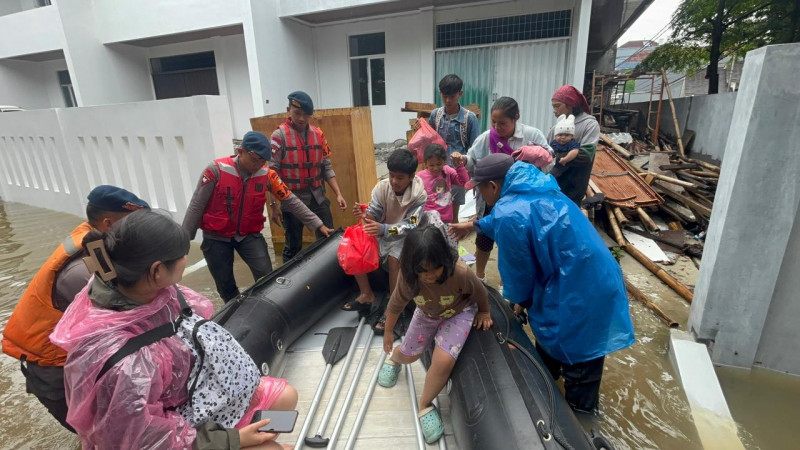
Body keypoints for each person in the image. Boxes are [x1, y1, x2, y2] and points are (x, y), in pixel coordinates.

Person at [50, 209, 298, 449]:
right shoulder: (124, 368)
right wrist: (234, 440)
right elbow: (145, 441)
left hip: (198, 400)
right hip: (178, 435)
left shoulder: (145, 288)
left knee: (286, 397)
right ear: (157, 270)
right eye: (182, 255)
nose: (185, 259)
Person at [449, 154, 635, 413]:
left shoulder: (510, 212)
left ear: (492, 186)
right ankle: (554, 384)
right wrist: (473, 225)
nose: (481, 196)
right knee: (552, 347)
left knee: (579, 365)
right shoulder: (536, 186)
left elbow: (518, 276)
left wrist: (519, 303)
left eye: (479, 190)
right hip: (597, 278)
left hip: (577, 293)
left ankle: (581, 421)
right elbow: (516, 219)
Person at [1, 185, 149, 432]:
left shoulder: (95, 239)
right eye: (133, 223)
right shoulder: (82, 272)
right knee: (100, 434)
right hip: (52, 368)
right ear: (108, 223)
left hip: (69, 358)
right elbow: (121, 316)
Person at [183, 131, 333, 302]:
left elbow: (292, 201)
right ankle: (234, 310)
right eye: (255, 160)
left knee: (266, 276)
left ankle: (266, 305)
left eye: (263, 161)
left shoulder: (267, 175)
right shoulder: (215, 171)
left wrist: (319, 225)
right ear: (241, 152)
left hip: (248, 235)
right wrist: (183, 242)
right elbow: (196, 205)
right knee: (225, 283)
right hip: (216, 236)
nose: (258, 165)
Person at [378, 226, 492, 443]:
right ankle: (395, 359)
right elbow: (394, 306)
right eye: (423, 270)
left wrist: (485, 311)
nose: (430, 275)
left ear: (445, 261)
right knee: (410, 356)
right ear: (413, 267)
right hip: (427, 313)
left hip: (458, 313)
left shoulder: (460, 273)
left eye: (436, 268)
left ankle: (424, 405)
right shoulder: (408, 278)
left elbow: (480, 292)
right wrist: (388, 332)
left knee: (443, 361)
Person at [456, 96, 552, 283]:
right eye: (493, 122)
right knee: (484, 239)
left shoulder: (531, 136)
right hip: (491, 198)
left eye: (502, 123)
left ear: (515, 117)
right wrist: (463, 160)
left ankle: (511, 283)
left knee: (515, 242)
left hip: (522, 201)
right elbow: (473, 160)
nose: (497, 127)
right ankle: (480, 276)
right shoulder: (486, 138)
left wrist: (537, 154)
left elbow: (549, 160)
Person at [341, 149, 428, 333]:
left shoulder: (419, 196)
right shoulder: (382, 188)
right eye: (391, 175)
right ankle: (366, 294)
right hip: (383, 231)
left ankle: (393, 304)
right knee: (355, 247)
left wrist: (383, 229)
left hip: (406, 237)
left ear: (411, 177)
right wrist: (365, 214)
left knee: (394, 259)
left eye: (400, 177)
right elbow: (376, 213)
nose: (394, 181)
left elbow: (411, 225)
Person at [270, 91, 347, 262]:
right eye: (297, 113)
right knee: (293, 246)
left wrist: (338, 194)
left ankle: (329, 274)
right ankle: (286, 283)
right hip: (292, 199)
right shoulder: (279, 136)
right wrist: (273, 205)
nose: (302, 118)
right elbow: (271, 173)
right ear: (288, 110)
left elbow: (326, 166)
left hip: (317, 196)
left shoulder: (319, 134)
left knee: (329, 237)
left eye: (306, 115)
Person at [428, 74, 480, 222]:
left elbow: (474, 149)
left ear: (460, 94)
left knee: (453, 217)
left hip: (457, 174)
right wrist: (421, 128)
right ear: (440, 94)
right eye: (445, 96)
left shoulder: (469, 118)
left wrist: (473, 176)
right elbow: (429, 140)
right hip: (437, 172)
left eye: (452, 96)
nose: (448, 100)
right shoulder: (435, 115)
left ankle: (452, 242)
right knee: (436, 211)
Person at [547, 85, 601, 205]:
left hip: (574, 187)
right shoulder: (555, 128)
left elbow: (586, 155)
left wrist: (558, 156)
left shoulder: (589, 125)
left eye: (557, 106)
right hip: (553, 185)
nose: (554, 111)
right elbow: (547, 151)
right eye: (553, 107)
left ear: (570, 105)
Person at [417, 143, 469, 223]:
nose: (435, 168)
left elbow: (464, 182)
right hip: (429, 222)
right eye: (431, 165)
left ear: (444, 161)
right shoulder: (419, 177)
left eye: (438, 164)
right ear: (425, 163)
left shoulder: (447, 171)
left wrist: (459, 166)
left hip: (446, 221)